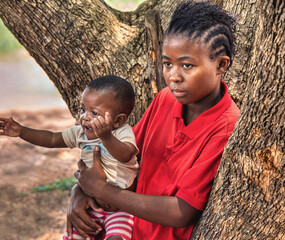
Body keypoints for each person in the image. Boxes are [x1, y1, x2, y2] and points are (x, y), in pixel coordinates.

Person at [67, 1, 240, 240]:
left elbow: (181, 212)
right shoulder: (165, 100)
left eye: (187, 65)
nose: (173, 76)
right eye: (168, 63)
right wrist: (80, 189)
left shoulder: (225, 126)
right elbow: (122, 159)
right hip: (125, 228)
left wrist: (101, 190)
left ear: (221, 64)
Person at [0, 75, 139, 240]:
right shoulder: (80, 133)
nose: (85, 117)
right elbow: (52, 139)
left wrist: (106, 137)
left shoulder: (122, 133)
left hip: (120, 210)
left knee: (117, 238)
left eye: (94, 113)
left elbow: (127, 154)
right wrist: (23, 132)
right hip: (91, 206)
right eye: (83, 110)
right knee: (74, 235)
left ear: (118, 121)